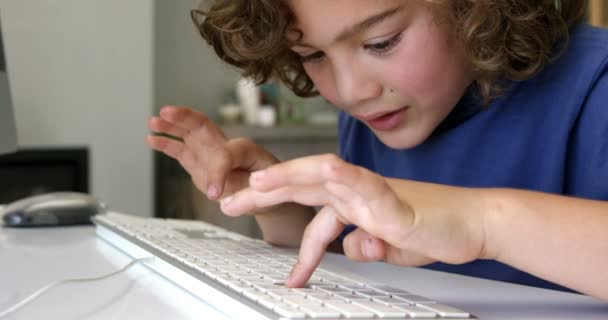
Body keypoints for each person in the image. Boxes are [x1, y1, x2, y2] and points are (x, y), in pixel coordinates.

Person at [147, 0, 608, 301]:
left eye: (380, 42)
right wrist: (285, 209)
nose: (350, 91)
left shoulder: (594, 84)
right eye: (313, 55)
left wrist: (483, 223)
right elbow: (366, 273)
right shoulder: (377, 117)